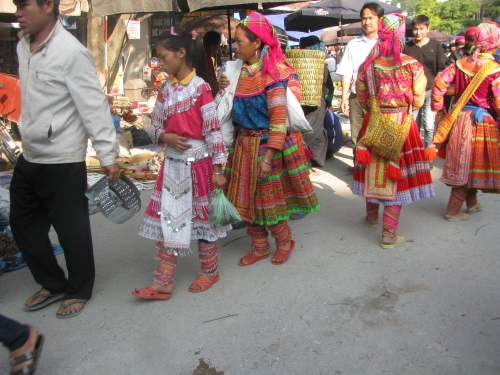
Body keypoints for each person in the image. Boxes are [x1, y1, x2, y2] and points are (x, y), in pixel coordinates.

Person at [11, 0, 119, 319]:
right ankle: (52, 282)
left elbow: (93, 106)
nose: (18, 11)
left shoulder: (71, 53)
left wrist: (108, 154)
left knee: (70, 230)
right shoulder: (22, 47)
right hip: (30, 153)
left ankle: (79, 288)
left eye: (24, 4)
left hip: (62, 156)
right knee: (23, 224)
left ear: (47, 6)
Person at [134, 27, 229, 300]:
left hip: (200, 165)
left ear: (181, 53)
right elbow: (155, 123)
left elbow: (212, 130)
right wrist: (164, 135)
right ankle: (163, 281)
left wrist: (219, 169)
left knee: (203, 222)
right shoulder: (166, 90)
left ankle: (210, 271)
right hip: (173, 165)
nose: (160, 63)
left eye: (163, 57)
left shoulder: (201, 88)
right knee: (169, 221)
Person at [219, 13, 320, 266]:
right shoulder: (235, 73)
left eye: (240, 41)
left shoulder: (274, 77)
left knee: (268, 203)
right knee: (245, 200)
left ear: (257, 43)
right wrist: (224, 90)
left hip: (266, 148)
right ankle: (259, 246)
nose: (235, 46)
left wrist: (268, 157)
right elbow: (227, 111)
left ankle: (284, 242)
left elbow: (278, 121)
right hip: (243, 145)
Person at [351, 13, 435, 248]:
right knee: (394, 175)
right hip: (401, 124)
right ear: (400, 35)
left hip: (373, 120)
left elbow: (362, 96)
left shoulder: (368, 66)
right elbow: (419, 100)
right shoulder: (411, 65)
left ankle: (370, 218)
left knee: (373, 170)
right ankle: (388, 235)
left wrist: (375, 110)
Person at [431, 22, 500, 221]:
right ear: (494, 44)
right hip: (480, 123)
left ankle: (472, 203)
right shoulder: (494, 70)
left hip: (460, 118)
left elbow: (439, 83)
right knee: (470, 167)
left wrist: (439, 107)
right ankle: (452, 211)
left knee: (468, 164)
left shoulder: (459, 64)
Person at [337, 2, 384, 172]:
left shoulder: (386, 44)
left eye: (371, 18)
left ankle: (376, 172)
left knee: (378, 135)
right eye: (364, 18)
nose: (367, 22)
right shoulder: (353, 44)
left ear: (379, 19)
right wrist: (344, 97)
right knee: (357, 135)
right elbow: (347, 71)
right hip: (357, 97)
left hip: (380, 98)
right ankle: (360, 170)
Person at [404, 15, 445, 150]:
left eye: (422, 29)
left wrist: (438, 91)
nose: (418, 32)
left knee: (429, 125)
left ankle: (427, 154)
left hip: (430, 91)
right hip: (412, 93)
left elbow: (440, 69)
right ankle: (416, 154)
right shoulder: (407, 47)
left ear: (427, 28)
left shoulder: (436, 45)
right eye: (415, 29)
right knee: (413, 125)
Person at [299, 35, 335, 168]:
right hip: (317, 103)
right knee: (315, 130)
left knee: (307, 130)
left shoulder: (295, 63)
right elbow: (328, 87)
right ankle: (312, 160)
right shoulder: (320, 65)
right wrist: (328, 102)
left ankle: (307, 159)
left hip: (299, 103)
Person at [203, 30, 221, 95]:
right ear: (212, 46)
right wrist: (219, 95)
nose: (218, 48)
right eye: (218, 45)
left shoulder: (206, 55)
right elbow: (209, 79)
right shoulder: (205, 57)